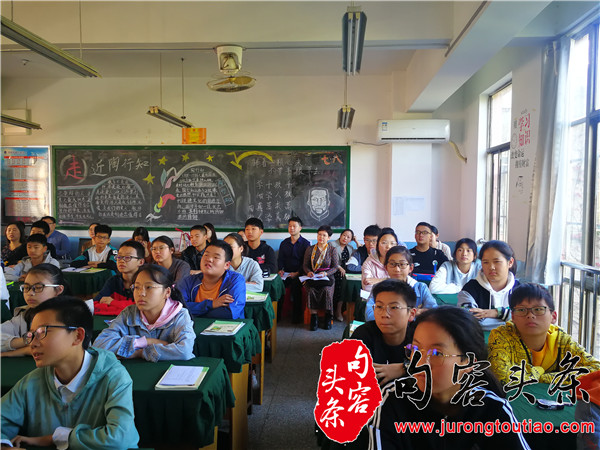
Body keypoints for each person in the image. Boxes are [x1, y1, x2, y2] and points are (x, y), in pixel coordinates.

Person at [369, 306, 531, 450]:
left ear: (468, 363)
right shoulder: (393, 400)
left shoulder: (493, 410)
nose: (419, 363)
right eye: (416, 349)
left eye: (437, 353)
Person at [0, 296, 139, 449]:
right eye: (32, 335)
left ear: (78, 336)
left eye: (43, 332)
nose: (33, 343)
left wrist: (57, 438)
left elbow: (120, 439)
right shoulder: (32, 382)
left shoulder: (113, 377)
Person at [488, 283, 600, 386]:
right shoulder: (501, 336)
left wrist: (544, 377)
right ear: (513, 317)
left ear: (553, 316)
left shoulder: (561, 340)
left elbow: (596, 368)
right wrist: (539, 371)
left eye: (538, 309)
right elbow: (502, 377)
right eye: (521, 310)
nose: (530, 315)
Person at [94, 265, 195, 362]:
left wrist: (141, 352)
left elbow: (184, 351)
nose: (141, 293)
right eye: (137, 287)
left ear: (167, 292)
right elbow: (99, 344)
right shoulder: (129, 313)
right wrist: (145, 341)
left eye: (149, 287)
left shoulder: (179, 315)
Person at [353, 279, 417, 386]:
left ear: (411, 313)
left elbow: (435, 368)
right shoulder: (363, 334)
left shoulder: (420, 336)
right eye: (379, 306)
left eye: (394, 307)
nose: (384, 314)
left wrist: (404, 368)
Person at [1, 264, 66, 356]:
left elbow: (55, 348)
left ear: (58, 290)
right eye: (26, 287)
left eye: (38, 287)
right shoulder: (25, 315)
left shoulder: (70, 315)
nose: (30, 293)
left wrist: (14, 352)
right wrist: (26, 340)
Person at [458, 240, 520, 331]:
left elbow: (530, 318)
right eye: (486, 262)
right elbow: (469, 320)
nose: (491, 267)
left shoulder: (521, 291)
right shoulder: (470, 289)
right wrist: (512, 318)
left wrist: (498, 312)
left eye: (497, 261)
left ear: (510, 262)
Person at [177, 240, 246, 319]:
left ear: (226, 265)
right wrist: (211, 304)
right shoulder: (188, 281)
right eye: (206, 255)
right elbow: (178, 308)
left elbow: (229, 313)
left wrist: (194, 311)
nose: (209, 259)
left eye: (216, 257)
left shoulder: (235, 280)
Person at [365, 245, 436, 321]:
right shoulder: (379, 288)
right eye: (392, 264)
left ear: (411, 268)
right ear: (386, 267)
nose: (397, 269)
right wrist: (413, 313)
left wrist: (389, 315)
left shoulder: (420, 288)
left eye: (402, 264)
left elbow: (434, 313)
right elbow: (369, 316)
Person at [93, 241, 145, 315]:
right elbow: (95, 304)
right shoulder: (113, 281)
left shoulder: (146, 283)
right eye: (119, 257)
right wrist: (124, 306)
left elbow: (141, 308)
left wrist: (113, 302)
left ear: (140, 262)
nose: (121, 261)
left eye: (127, 257)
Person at [303, 225, 339, 331]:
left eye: (324, 235)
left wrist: (326, 273)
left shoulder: (332, 250)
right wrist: (309, 272)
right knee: (311, 290)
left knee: (326, 290)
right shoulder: (310, 249)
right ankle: (314, 317)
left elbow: (335, 267)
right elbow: (305, 265)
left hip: (327, 277)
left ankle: (328, 316)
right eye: (319, 234)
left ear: (329, 238)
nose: (321, 237)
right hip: (313, 277)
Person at [277, 216, 311, 323]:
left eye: (294, 226)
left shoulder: (306, 244)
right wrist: (280, 270)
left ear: (300, 228)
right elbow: (280, 259)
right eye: (290, 226)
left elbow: (305, 262)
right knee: (278, 286)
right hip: (286, 273)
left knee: (296, 288)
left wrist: (297, 273)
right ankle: (277, 316)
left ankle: (296, 318)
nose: (291, 228)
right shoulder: (284, 243)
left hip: (300, 274)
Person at [361, 227, 398, 292]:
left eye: (392, 243)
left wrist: (380, 280)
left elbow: (403, 283)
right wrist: (392, 281)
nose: (388, 246)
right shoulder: (369, 263)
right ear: (377, 245)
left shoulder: (400, 262)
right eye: (384, 243)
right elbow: (368, 288)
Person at [330, 228, 355, 322]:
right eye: (344, 235)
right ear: (340, 235)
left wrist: (356, 241)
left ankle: (339, 310)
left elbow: (360, 251)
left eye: (348, 237)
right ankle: (332, 311)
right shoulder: (332, 244)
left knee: (346, 285)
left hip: (345, 272)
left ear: (351, 240)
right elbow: (330, 260)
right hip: (333, 271)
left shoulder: (350, 248)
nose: (345, 238)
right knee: (340, 283)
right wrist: (339, 267)